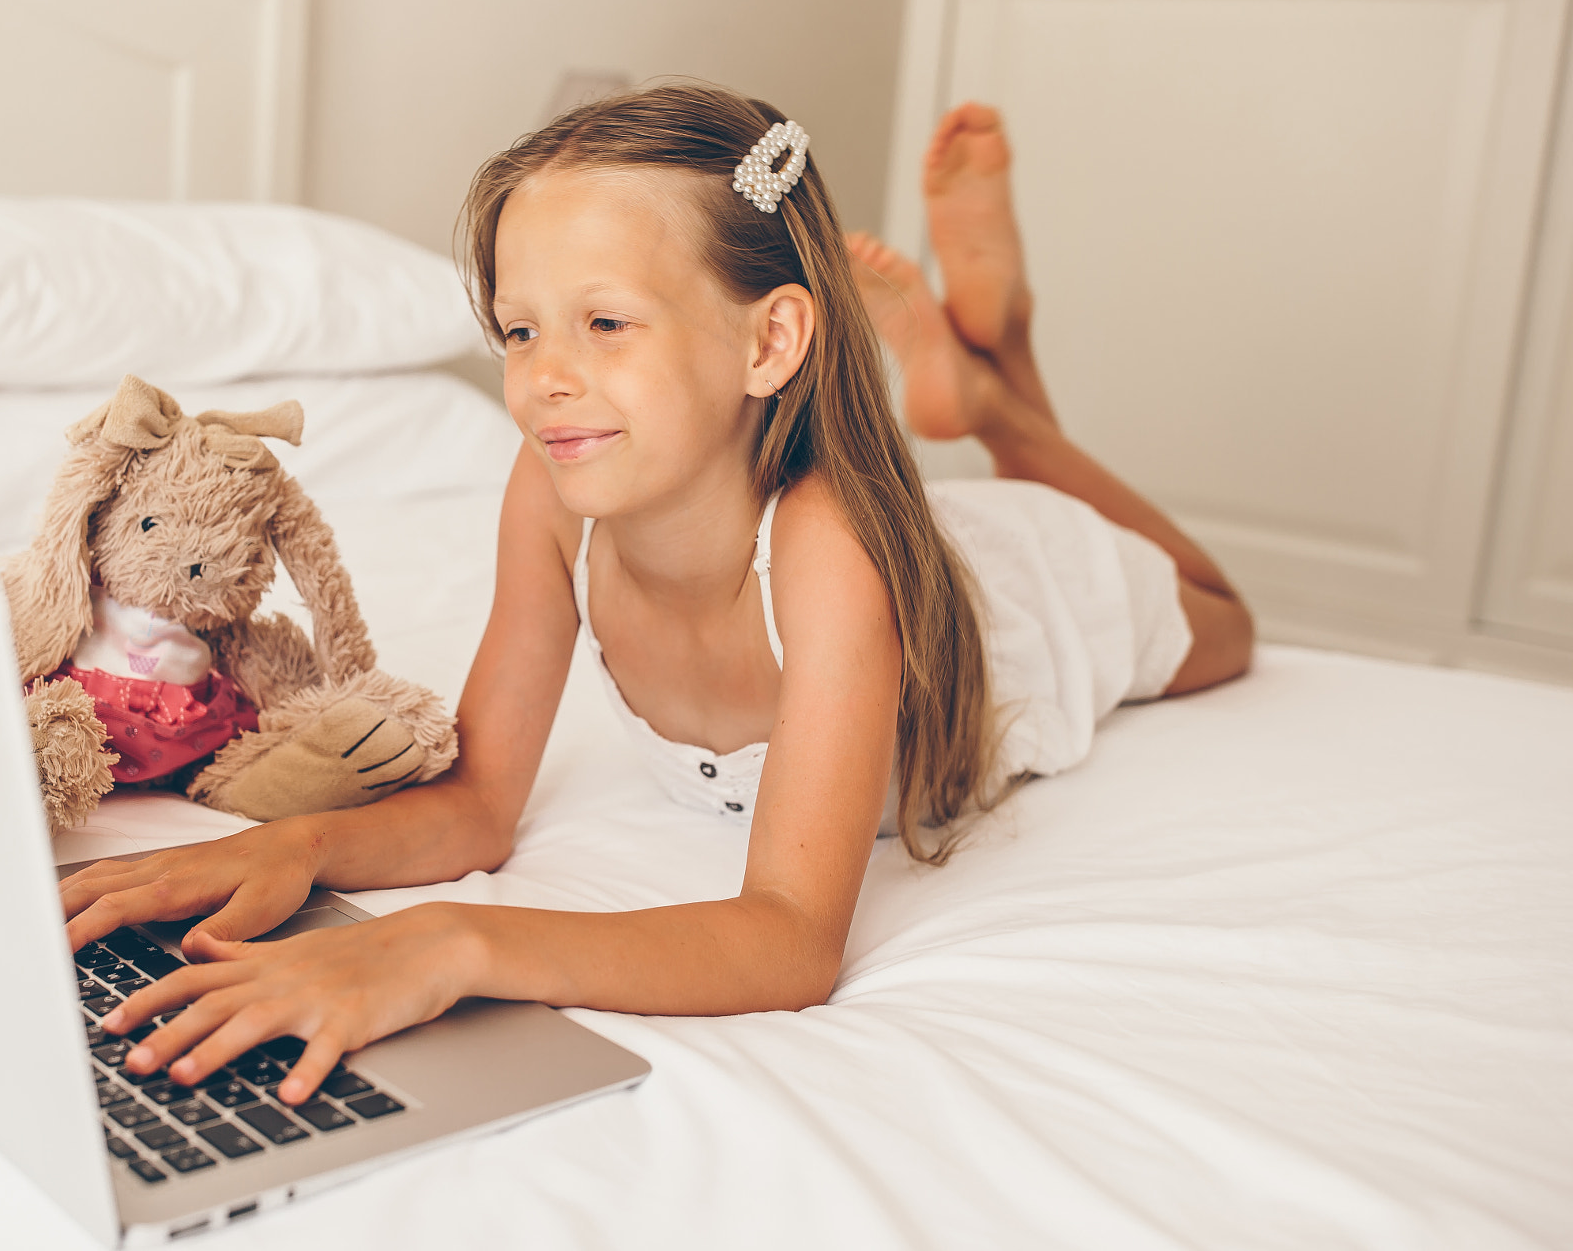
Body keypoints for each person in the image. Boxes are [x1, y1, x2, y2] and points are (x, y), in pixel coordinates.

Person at [62, 87, 1253, 1108]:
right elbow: (480, 803)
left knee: (1221, 619)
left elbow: (789, 935)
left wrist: (450, 942)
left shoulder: (832, 551)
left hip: (1007, 600)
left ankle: (997, 398)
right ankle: (983, 390)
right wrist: (296, 848)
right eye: (520, 330)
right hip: (875, 546)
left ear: (768, 341)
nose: (543, 380)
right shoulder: (550, 494)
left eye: (604, 323)